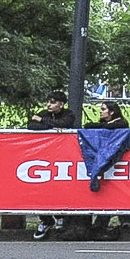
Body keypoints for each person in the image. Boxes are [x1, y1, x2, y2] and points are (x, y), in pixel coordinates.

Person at [28, 95, 78, 239]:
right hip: (43, 157)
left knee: (61, 187)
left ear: (61, 104)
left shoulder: (68, 114)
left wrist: (44, 121)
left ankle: (60, 215)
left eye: (52, 102)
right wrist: (51, 126)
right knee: (40, 190)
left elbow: (66, 123)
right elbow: (31, 125)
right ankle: (46, 220)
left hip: (64, 157)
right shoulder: (44, 113)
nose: (48, 105)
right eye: (48, 102)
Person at [91, 100, 130, 240]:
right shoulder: (105, 123)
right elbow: (90, 126)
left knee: (121, 190)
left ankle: (126, 220)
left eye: (103, 109)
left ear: (112, 112)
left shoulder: (121, 123)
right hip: (106, 161)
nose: (101, 111)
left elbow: (115, 127)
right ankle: (101, 222)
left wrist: (103, 126)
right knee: (107, 191)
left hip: (120, 162)